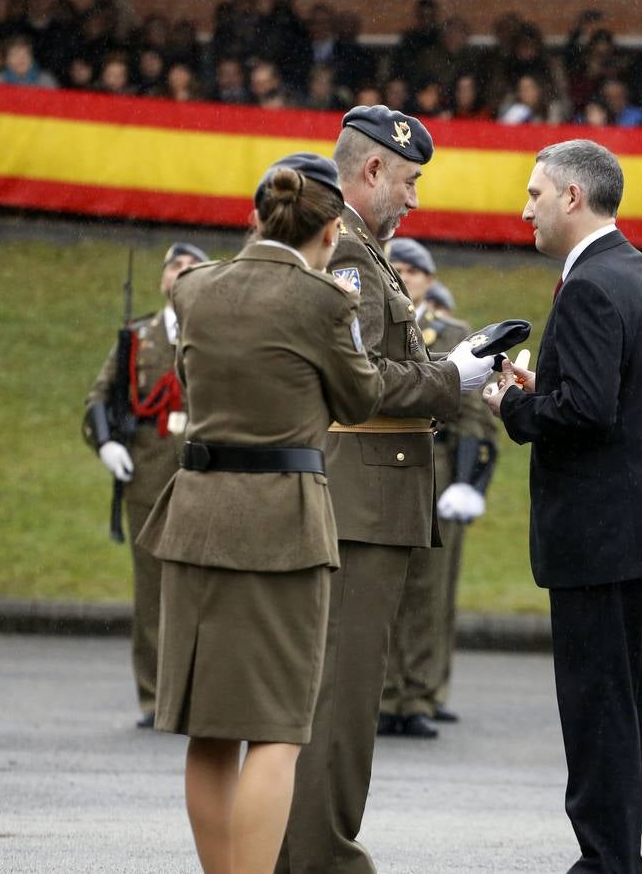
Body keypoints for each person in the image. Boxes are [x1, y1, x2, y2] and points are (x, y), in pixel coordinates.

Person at [136, 153, 383, 873]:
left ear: (256, 217)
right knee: (276, 730)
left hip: (196, 516)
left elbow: (188, 380)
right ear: (331, 230)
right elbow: (361, 400)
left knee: (208, 730)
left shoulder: (194, 289)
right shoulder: (324, 301)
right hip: (281, 525)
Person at [277, 107, 499, 874]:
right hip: (361, 508)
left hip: (364, 504)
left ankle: (303, 851)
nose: (414, 200)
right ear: (371, 172)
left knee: (337, 691)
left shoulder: (364, 252)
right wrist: (454, 378)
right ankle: (320, 857)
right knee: (341, 696)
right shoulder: (353, 259)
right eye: (407, 181)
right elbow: (360, 384)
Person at [483, 139, 642, 874]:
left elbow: (588, 416)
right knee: (622, 712)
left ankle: (605, 864)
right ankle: (617, 859)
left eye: (536, 194)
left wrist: (512, 401)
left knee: (598, 714)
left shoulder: (590, 287)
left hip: (602, 541)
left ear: (573, 197)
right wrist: (553, 386)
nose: (525, 209)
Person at [83, 242, 207, 729]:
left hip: (204, 477)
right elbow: (99, 398)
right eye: (175, 266)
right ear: (162, 280)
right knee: (153, 593)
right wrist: (107, 444)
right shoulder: (138, 339)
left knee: (202, 591)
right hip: (149, 479)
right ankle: (156, 698)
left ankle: (198, 694)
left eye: (192, 267)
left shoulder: (218, 335)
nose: (181, 273)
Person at [378, 238, 499, 737]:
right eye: (397, 268)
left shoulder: (453, 333)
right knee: (384, 585)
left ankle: (420, 695)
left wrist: (471, 481)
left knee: (430, 588)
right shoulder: (372, 324)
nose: (405, 275)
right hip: (383, 460)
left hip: (437, 464)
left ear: (428, 279)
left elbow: (473, 415)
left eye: (414, 270)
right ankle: (385, 695)